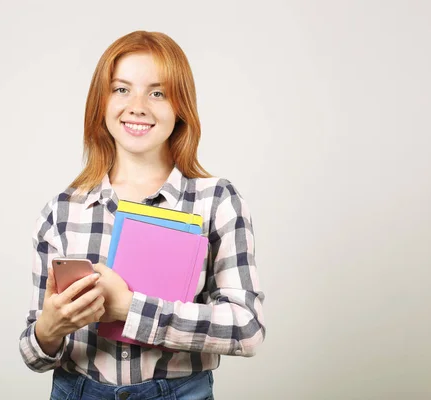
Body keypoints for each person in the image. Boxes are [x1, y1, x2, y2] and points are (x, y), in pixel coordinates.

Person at [19, 30, 265, 400]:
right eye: (121, 89)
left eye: (157, 92)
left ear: (180, 106)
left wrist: (130, 308)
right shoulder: (61, 211)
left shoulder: (216, 201)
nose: (137, 105)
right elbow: (34, 356)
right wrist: (49, 330)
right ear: (101, 102)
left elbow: (247, 329)